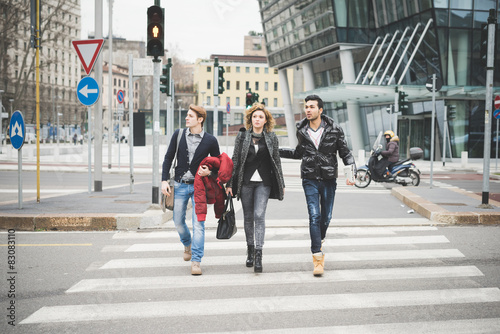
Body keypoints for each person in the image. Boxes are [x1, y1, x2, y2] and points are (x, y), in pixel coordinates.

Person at [280, 95, 356, 277]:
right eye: (306, 106)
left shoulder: (334, 129)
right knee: (314, 215)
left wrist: (351, 172)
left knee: (326, 217)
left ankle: (319, 238)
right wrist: (276, 150)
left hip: (329, 178)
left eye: (312, 107)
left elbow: (345, 153)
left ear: (320, 110)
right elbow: (299, 153)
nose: (308, 110)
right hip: (309, 177)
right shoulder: (302, 129)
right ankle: (317, 257)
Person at [161, 104, 220, 275]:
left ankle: (196, 260)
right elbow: (168, 158)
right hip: (179, 185)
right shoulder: (178, 135)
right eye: (187, 115)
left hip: (199, 187)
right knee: (178, 221)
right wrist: (164, 180)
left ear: (200, 120)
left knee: (198, 224)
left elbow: (218, 163)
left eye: (190, 116)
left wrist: (209, 171)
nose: (186, 118)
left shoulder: (211, 140)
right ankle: (187, 243)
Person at [226, 103, 285, 273]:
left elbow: (277, 161)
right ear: (250, 119)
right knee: (248, 217)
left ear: (266, 120)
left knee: (259, 215)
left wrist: (281, 184)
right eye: (255, 117)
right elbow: (235, 160)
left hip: (264, 182)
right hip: (245, 182)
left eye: (261, 117)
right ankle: (250, 250)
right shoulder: (243, 137)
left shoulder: (272, 137)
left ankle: (259, 254)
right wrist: (230, 183)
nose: (257, 119)